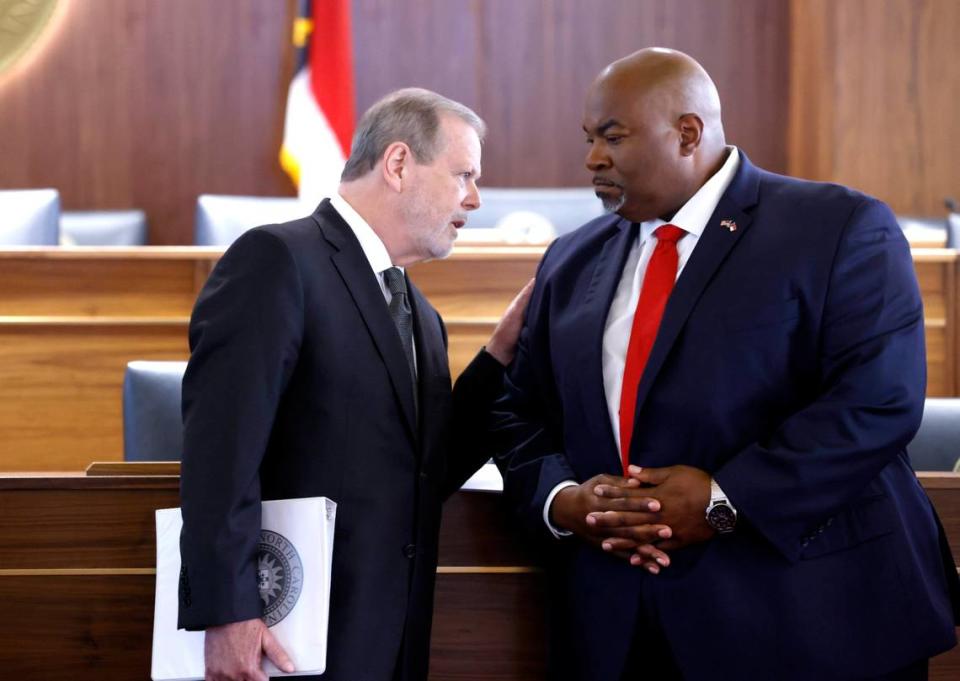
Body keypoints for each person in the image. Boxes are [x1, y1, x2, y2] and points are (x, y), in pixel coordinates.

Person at [491, 48, 960, 681]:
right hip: (620, 630)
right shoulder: (571, 260)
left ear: (687, 133)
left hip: (811, 621)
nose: (592, 159)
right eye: (588, 139)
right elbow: (520, 410)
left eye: (612, 137)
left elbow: (877, 400)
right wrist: (565, 498)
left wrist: (724, 498)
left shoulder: (838, 226)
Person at [178, 87, 532, 681]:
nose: (475, 198)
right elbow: (221, 454)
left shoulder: (421, 313)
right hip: (285, 637)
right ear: (398, 164)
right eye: (464, 175)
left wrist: (500, 354)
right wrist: (229, 612)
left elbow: (427, 469)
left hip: (391, 634)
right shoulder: (276, 260)